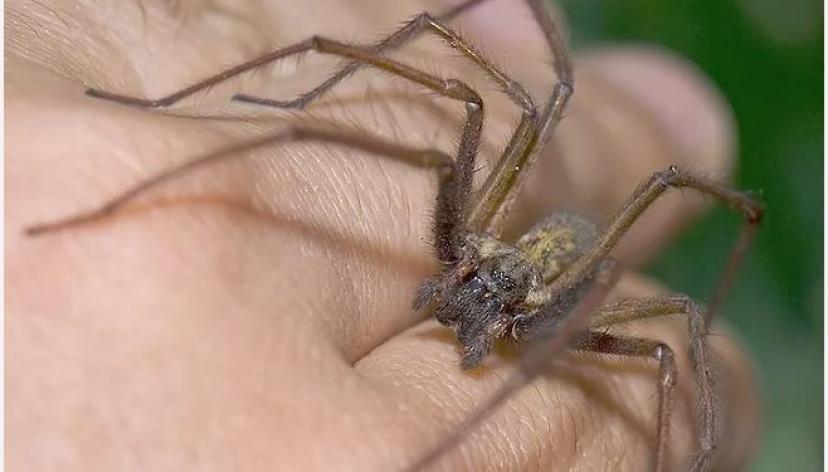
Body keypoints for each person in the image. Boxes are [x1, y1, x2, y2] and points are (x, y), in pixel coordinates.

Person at [7, 0, 759, 469]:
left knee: (666, 336)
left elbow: (682, 334)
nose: (475, 292)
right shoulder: (467, 248)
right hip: (510, 241)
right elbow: (449, 45)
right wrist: (302, 96)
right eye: (474, 283)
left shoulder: (540, 312)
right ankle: (284, 90)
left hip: (558, 277)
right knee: (484, 108)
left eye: (483, 292)